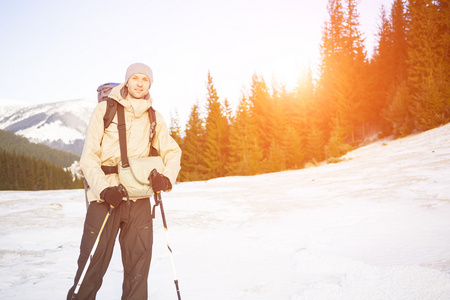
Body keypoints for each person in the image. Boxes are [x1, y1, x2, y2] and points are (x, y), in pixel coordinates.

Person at [67, 63, 182, 300]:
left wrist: (167, 179)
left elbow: (172, 152)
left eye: (145, 80)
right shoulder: (104, 110)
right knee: (91, 265)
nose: (140, 83)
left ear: (150, 84)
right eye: (135, 78)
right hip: (106, 198)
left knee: (138, 269)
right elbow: (89, 157)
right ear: (127, 81)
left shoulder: (154, 117)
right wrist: (103, 189)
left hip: (139, 199)